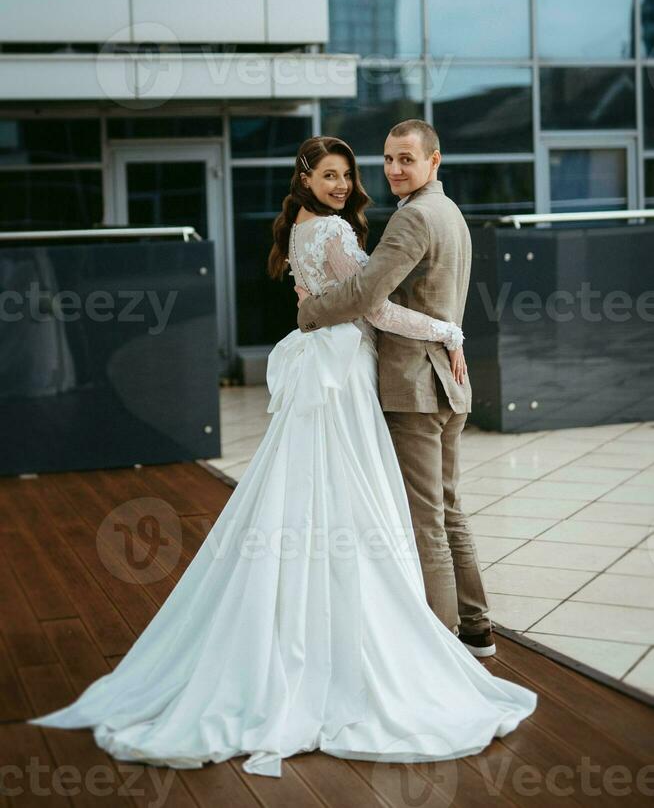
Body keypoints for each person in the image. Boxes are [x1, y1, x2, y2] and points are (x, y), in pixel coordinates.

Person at [26, 135, 536, 778]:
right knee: (392, 504)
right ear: (306, 177)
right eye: (332, 175)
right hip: (360, 371)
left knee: (367, 502)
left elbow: (349, 301)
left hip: (364, 371)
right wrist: (443, 329)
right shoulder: (382, 223)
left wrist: (316, 314)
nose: (346, 185)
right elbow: (371, 305)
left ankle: (456, 633)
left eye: (349, 175)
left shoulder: (325, 226)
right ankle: (462, 635)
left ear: (431, 162)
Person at [297, 120, 494, 657]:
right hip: (449, 382)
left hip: (416, 387)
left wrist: (309, 309)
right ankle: (476, 626)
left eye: (406, 159)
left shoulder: (413, 219)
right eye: (387, 159)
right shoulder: (449, 212)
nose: (393, 169)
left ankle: (441, 640)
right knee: (449, 507)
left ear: (435, 160)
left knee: (424, 515)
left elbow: (365, 293)